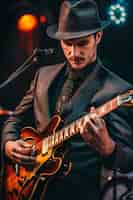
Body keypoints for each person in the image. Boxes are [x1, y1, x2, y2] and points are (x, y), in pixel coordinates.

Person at [1, 0, 133, 199]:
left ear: (98, 36)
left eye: (82, 44)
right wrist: (9, 144)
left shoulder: (118, 91)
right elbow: (14, 119)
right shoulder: (42, 76)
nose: (74, 53)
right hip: (30, 189)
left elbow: (128, 160)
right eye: (67, 44)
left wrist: (109, 148)